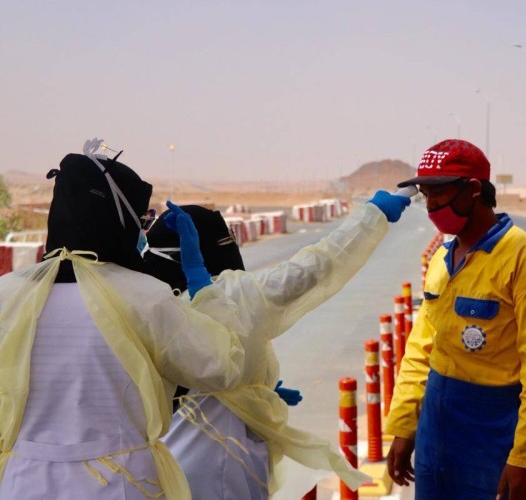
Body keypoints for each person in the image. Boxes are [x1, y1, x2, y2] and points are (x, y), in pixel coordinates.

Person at [0, 139, 245, 499]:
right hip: (122, 484)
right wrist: (202, 285)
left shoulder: (8, 295)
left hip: (23, 481)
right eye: (142, 219)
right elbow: (221, 366)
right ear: (121, 222)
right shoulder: (143, 296)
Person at [143, 190, 411, 499]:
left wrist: (255, 391)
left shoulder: (143, 301)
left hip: (164, 466)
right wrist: (371, 216)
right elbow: (315, 266)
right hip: (220, 463)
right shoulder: (233, 296)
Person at [384, 139, 526, 500]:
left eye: (439, 193)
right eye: (425, 194)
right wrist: (405, 426)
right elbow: (421, 349)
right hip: (436, 425)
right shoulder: (441, 259)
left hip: (493, 432)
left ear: (473, 190)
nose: (431, 205)